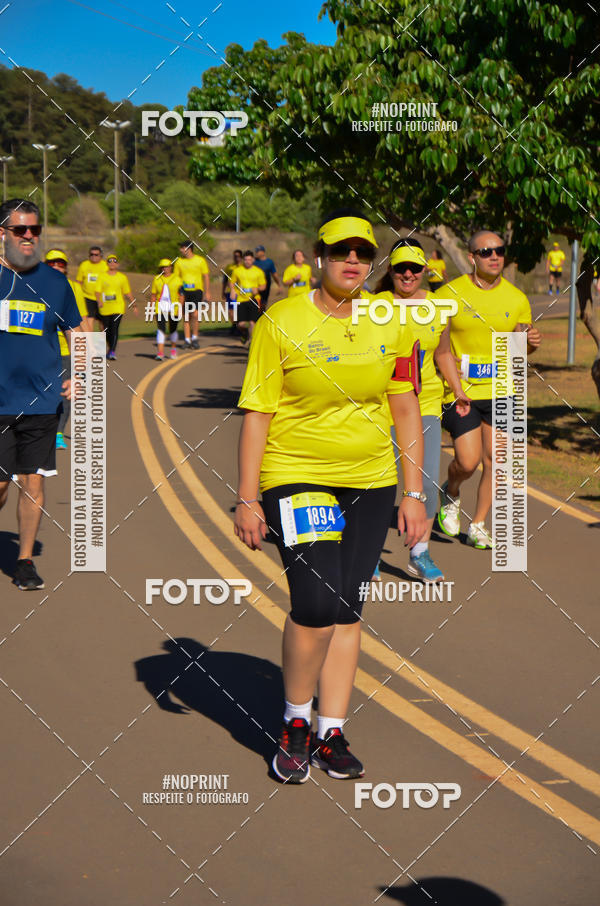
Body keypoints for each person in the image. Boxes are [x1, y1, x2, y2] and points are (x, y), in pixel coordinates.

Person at [234, 208, 426, 783]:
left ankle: (331, 729)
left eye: (363, 254)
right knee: (316, 604)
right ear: (318, 256)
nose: (352, 261)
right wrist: (247, 498)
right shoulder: (281, 321)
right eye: (341, 251)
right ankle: (295, 720)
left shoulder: (389, 321)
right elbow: (257, 412)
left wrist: (414, 491)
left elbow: (406, 407)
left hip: (370, 480)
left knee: (347, 607)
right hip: (297, 474)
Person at [435, 230, 541, 548]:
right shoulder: (449, 295)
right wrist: (455, 385)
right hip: (461, 391)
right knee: (467, 462)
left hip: (502, 390)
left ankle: (479, 524)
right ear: (472, 257)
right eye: (485, 252)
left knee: (496, 459)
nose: (494, 256)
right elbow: (437, 348)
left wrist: (530, 343)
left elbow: (518, 349)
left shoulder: (517, 299)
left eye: (499, 250)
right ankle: (451, 491)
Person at [374, 238, 469, 582]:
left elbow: (443, 353)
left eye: (415, 268)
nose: (408, 274)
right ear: (391, 271)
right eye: (401, 268)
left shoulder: (437, 307)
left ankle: (419, 552)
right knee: (377, 483)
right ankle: (369, 551)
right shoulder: (375, 306)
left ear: (426, 270)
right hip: (381, 403)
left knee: (425, 482)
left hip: (425, 401)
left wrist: (457, 390)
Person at [0, 199, 82, 590]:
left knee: (33, 481)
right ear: (3, 233)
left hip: (41, 402)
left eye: (34, 229)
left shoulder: (55, 282)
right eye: (20, 230)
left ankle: (25, 561)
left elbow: (76, 333)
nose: (29, 236)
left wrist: (81, 374)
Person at [44, 249, 88, 449]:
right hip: (42, 351)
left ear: (66, 267)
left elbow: (83, 319)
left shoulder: (74, 288)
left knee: (66, 393)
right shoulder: (35, 285)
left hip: (66, 351)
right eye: (52, 263)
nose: (56, 266)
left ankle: (59, 432)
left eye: (60, 263)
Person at [95, 253, 136, 360]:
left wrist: (133, 304)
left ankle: (112, 351)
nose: (112, 263)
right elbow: (97, 291)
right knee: (107, 330)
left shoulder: (122, 277)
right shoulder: (101, 276)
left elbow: (127, 292)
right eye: (110, 261)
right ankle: (110, 348)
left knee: (115, 328)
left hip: (118, 307)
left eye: (114, 261)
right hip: (105, 307)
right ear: (107, 264)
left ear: (117, 264)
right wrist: (99, 301)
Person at [173, 240, 210, 350]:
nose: (180, 250)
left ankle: (195, 338)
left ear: (188, 248)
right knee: (186, 316)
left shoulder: (200, 261)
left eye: (182, 247)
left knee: (194, 314)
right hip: (184, 291)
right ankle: (187, 340)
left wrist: (207, 292)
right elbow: (176, 278)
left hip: (197, 291)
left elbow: (206, 276)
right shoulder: (179, 262)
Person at [229, 250, 266, 342]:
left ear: (253, 260)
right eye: (245, 260)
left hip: (254, 299)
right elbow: (231, 282)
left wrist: (257, 289)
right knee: (240, 324)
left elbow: (263, 286)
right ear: (243, 260)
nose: (247, 261)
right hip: (241, 300)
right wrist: (233, 290)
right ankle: (244, 333)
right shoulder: (237, 271)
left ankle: (252, 342)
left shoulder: (258, 272)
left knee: (252, 322)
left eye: (249, 260)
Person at [150, 258, 179, 360]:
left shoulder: (177, 278)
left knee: (173, 329)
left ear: (171, 267)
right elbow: (153, 295)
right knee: (161, 329)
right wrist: (152, 308)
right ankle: (160, 353)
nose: (165, 269)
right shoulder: (156, 279)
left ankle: (173, 350)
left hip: (174, 307)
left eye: (167, 266)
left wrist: (181, 307)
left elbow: (182, 294)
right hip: (160, 307)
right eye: (163, 267)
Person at [76, 245, 107, 331]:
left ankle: (102, 340)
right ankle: (91, 341)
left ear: (101, 256)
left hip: (102, 298)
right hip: (87, 297)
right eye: (91, 254)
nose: (93, 256)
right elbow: (79, 281)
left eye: (96, 255)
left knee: (103, 321)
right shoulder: (84, 265)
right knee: (89, 319)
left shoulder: (105, 266)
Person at [254, 245, 281, 310]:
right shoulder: (254, 261)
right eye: (256, 251)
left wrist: (279, 285)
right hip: (255, 284)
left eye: (258, 251)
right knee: (255, 302)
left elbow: (274, 274)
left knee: (263, 303)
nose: (256, 253)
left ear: (263, 252)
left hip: (266, 284)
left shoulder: (269, 262)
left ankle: (262, 314)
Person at [222, 248, 243, 334]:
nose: (236, 258)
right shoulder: (229, 267)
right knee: (231, 310)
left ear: (241, 257)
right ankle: (234, 325)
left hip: (241, 292)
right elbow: (225, 280)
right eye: (234, 256)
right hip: (230, 291)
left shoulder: (244, 267)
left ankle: (240, 326)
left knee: (239, 309)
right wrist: (222, 291)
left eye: (238, 256)